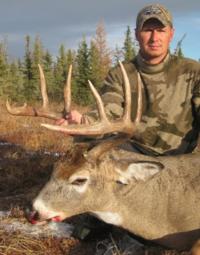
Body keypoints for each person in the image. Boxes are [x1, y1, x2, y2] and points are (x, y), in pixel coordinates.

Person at [58, 3, 200, 156]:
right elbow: (110, 107)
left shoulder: (192, 71)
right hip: (132, 156)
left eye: (161, 30)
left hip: (179, 160)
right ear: (137, 34)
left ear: (171, 34)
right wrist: (84, 122)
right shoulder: (121, 73)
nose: (154, 38)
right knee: (86, 148)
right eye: (147, 30)